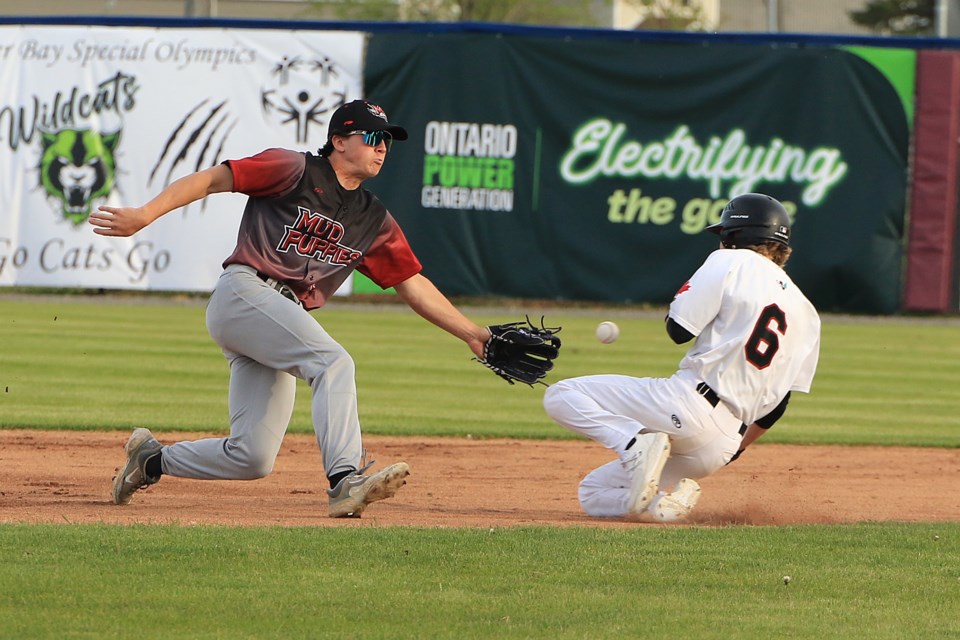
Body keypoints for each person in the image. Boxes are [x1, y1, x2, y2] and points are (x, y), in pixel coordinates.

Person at [91, 99, 493, 518]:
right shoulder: (293, 169)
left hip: (277, 317)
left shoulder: (372, 218)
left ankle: (150, 461)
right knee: (333, 362)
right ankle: (345, 480)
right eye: (372, 137)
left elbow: (411, 283)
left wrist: (471, 333)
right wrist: (144, 214)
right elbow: (213, 180)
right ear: (338, 141)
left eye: (387, 141)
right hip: (245, 292)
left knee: (251, 457)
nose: (382, 147)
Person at [543, 193, 821, 522]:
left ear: (734, 236)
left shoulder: (730, 262)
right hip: (720, 445)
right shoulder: (808, 312)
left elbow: (679, 330)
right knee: (594, 493)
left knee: (561, 395)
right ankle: (662, 507)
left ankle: (633, 446)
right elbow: (778, 406)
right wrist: (735, 448)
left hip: (689, 405)